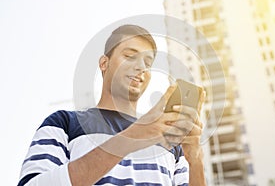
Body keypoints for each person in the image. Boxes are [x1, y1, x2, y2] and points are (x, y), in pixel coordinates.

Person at [18, 25, 206, 186]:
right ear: (104, 63)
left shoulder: (172, 143)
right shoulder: (64, 123)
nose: (141, 67)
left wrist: (195, 158)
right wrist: (133, 136)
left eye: (147, 63)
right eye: (130, 56)